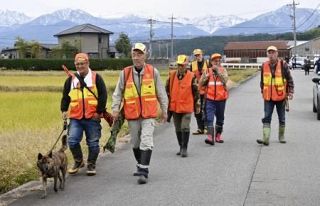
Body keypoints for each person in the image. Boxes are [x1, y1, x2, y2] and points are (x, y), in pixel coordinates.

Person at [112, 43, 168, 184]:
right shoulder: (125, 73)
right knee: (136, 143)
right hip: (132, 114)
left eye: (140, 54)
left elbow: (161, 93)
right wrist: (115, 109)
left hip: (149, 114)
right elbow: (118, 93)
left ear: (145, 55)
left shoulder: (152, 72)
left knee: (146, 140)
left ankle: (143, 171)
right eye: (134, 54)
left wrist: (164, 110)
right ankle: (140, 164)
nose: (136, 57)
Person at [61, 53, 107, 176]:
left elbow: (103, 95)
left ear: (87, 63)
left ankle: (91, 164)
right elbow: (65, 96)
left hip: (92, 116)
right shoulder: (70, 80)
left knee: (93, 142)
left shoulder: (96, 78)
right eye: (77, 64)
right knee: (72, 140)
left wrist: (99, 112)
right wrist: (64, 110)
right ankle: (78, 160)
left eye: (82, 63)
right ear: (75, 65)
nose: (80, 66)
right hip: (76, 116)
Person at [257, 46, 294, 146]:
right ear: (267, 54)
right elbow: (262, 81)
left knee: (281, 118)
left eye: (273, 52)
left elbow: (289, 79)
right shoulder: (264, 65)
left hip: (281, 97)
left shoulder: (283, 64)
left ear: (277, 53)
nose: (271, 54)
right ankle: (266, 138)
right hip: (268, 97)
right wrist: (262, 91)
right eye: (269, 53)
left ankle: (281, 136)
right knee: (267, 117)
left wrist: (290, 92)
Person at [166, 55, 200, 157]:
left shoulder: (191, 76)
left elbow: (196, 92)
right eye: (179, 65)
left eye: (183, 65)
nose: (181, 67)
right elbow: (167, 90)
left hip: (187, 107)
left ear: (186, 65)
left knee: (185, 127)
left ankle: (185, 148)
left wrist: (197, 106)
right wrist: (167, 107)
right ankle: (180, 146)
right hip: (175, 107)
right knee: (177, 128)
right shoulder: (171, 76)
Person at [199, 53, 229, 145]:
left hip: (221, 99)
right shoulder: (207, 71)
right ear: (211, 62)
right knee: (209, 118)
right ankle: (210, 137)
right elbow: (201, 83)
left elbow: (225, 80)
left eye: (218, 60)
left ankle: (218, 136)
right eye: (215, 60)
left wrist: (218, 72)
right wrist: (206, 78)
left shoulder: (223, 70)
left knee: (220, 118)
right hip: (210, 99)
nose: (217, 62)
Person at [190, 49, 209, 135]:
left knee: (206, 109)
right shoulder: (192, 65)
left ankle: (206, 127)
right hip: (196, 91)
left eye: (199, 55)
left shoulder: (208, 63)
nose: (198, 56)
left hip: (206, 90)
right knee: (197, 110)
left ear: (202, 54)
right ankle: (200, 128)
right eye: (196, 55)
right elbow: (190, 77)